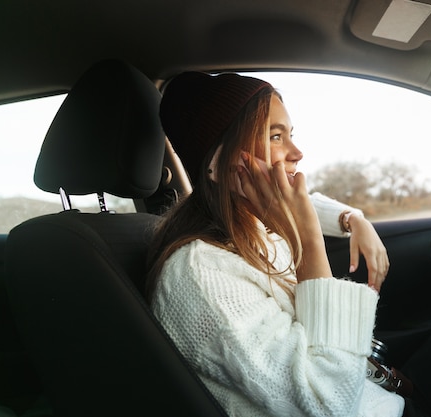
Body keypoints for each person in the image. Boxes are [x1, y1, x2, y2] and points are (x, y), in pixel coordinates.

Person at [146, 72, 406, 417]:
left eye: (290, 134)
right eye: (275, 136)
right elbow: (329, 404)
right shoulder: (201, 274)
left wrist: (352, 219)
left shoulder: (251, 229)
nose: (297, 152)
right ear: (218, 163)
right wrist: (309, 239)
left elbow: (305, 201)